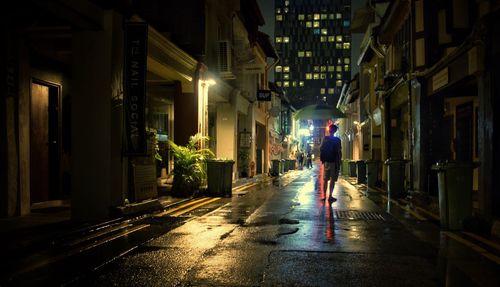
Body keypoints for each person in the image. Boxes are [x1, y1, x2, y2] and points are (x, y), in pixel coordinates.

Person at [319, 124, 342, 202]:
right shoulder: (337, 140)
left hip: (326, 162)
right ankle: (330, 196)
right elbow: (339, 152)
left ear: (329, 130)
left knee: (325, 179)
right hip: (334, 162)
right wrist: (339, 162)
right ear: (335, 131)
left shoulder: (325, 138)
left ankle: (324, 196)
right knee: (332, 180)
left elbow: (321, 148)